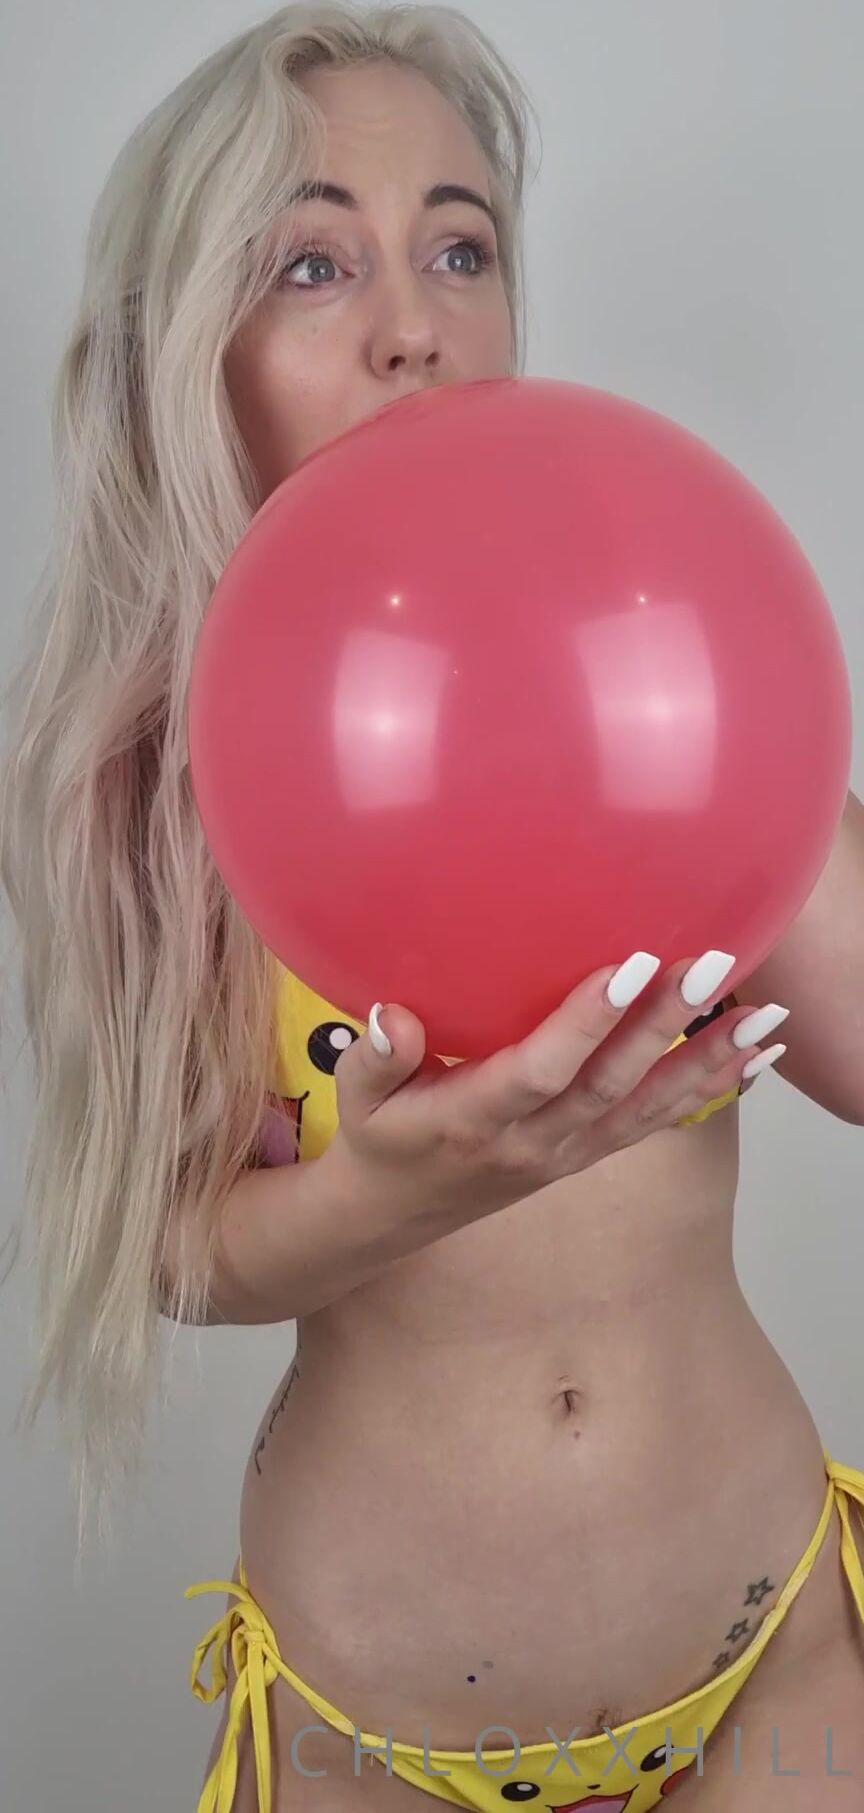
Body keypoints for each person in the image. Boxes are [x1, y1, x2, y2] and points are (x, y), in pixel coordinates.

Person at [2, 6, 864, 1811]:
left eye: (460, 248)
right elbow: (167, 1246)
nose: (416, 324)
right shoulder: (129, 785)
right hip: (372, 1736)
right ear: (193, 344)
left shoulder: (647, 663)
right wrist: (390, 1195)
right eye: (313, 263)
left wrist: (741, 741)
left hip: (771, 1665)